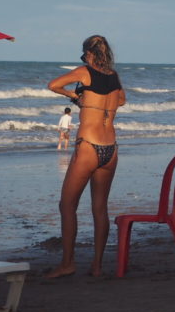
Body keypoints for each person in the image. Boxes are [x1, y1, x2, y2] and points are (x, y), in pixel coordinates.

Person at [45, 35, 125, 278]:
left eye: (84, 55)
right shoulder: (113, 75)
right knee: (100, 208)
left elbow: (53, 85)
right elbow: (121, 100)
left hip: (89, 146)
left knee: (67, 205)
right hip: (110, 149)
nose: (84, 59)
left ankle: (68, 263)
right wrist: (100, 105)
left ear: (89, 53)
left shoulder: (84, 72)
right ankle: (97, 266)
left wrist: (77, 98)